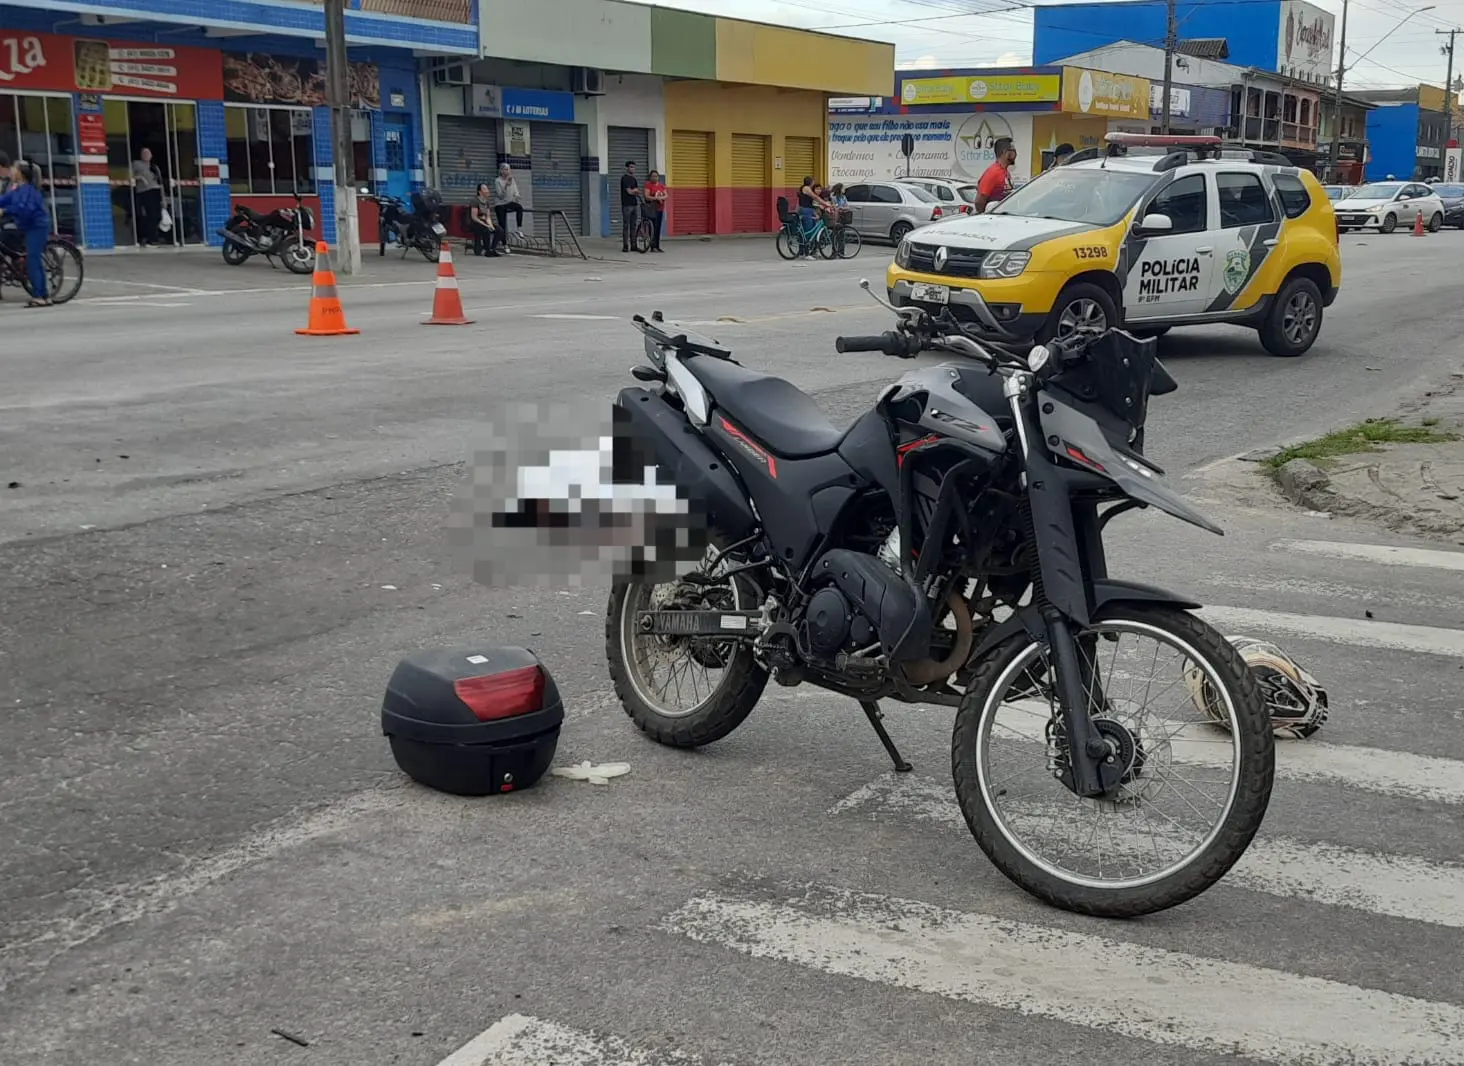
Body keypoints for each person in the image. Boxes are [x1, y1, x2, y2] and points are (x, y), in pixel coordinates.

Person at [0, 161, 52, 307]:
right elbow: (4, 200)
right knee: (33, 260)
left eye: (14, 169)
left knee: (33, 260)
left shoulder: (28, 190)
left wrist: (5, 211)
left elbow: (24, 209)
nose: (11, 171)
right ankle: (44, 295)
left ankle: (39, 296)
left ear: (21, 174)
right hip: (27, 226)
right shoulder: (17, 190)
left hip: (37, 227)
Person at [132, 147, 164, 247]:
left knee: (157, 216)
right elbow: (130, 176)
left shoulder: (154, 167)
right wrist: (140, 178)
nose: (146, 155)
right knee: (148, 216)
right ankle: (149, 238)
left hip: (156, 191)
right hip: (144, 192)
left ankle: (154, 236)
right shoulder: (136, 164)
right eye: (144, 153)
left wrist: (163, 198)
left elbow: (160, 182)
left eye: (148, 153)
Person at [974, 137, 1017, 213]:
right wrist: (984, 216)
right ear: (1005, 152)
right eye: (1013, 151)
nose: (1016, 154)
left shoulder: (1005, 172)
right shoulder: (993, 173)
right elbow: (979, 200)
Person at [492, 163, 523, 254]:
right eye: (506, 169)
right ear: (501, 171)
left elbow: (515, 191)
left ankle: (519, 228)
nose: (508, 171)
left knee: (519, 208)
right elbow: (500, 195)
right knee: (502, 225)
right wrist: (506, 185)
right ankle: (505, 244)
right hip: (500, 204)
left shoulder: (512, 180)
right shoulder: (497, 181)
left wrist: (517, 196)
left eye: (509, 169)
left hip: (509, 202)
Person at [469, 182, 499, 257]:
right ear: (480, 192)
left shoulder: (487, 202)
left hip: (484, 221)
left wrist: (490, 225)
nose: (487, 191)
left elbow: (488, 216)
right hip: (476, 223)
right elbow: (474, 217)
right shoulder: (475, 201)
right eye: (485, 189)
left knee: (499, 230)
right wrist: (486, 225)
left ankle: (492, 248)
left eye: (487, 189)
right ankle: (487, 250)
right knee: (486, 229)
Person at [619, 160, 642, 253]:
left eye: (634, 167)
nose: (633, 169)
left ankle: (634, 245)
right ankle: (625, 245)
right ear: (627, 168)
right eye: (631, 167)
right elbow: (629, 191)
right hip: (626, 205)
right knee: (626, 225)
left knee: (633, 225)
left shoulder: (634, 179)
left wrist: (634, 191)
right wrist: (634, 191)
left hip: (634, 204)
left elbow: (637, 191)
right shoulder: (625, 179)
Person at [643, 170, 667, 252]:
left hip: (660, 208)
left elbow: (666, 195)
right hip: (652, 209)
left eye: (656, 176)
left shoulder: (661, 186)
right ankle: (652, 245)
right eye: (653, 176)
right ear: (650, 177)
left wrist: (661, 198)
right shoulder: (648, 185)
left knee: (658, 228)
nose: (654, 178)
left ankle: (657, 245)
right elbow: (646, 196)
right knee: (652, 227)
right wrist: (655, 198)